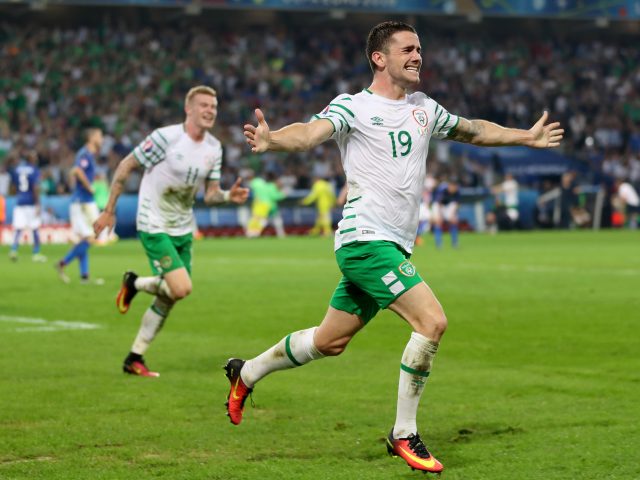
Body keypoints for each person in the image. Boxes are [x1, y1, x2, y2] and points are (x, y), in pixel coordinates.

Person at [227, 21, 563, 474]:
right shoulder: (354, 106)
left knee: (330, 342)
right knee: (432, 321)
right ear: (379, 58)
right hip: (365, 240)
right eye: (407, 48)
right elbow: (309, 133)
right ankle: (404, 433)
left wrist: (527, 136)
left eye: (420, 48)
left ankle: (245, 372)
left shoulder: (423, 107)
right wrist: (272, 140)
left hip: (393, 246)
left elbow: (474, 130)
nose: (418, 55)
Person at [93, 85, 249, 378]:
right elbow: (127, 165)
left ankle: (134, 355)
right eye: (203, 105)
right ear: (188, 109)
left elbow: (211, 193)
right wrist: (109, 209)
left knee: (170, 296)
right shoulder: (166, 138)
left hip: (182, 226)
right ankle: (136, 285)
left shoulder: (214, 148)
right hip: (153, 221)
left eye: (213, 106)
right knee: (181, 287)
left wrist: (228, 196)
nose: (209, 110)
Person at [55, 128, 104, 283]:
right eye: (99, 136)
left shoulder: (88, 155)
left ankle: (84, 277)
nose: (101, 139)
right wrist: (89, 186)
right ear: (91, 138)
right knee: (92, 237)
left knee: (86, 238)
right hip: (82, 202)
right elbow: (76, 170)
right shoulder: (84, 154)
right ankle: (63, 263)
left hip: (84, 201)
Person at [8, 150, 47, 262]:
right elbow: (35, 187)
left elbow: (13, 185)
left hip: (20, 201)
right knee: (34, 227)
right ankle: (36, 253)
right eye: (35, 157)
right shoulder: (34, 170)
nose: (36, 158)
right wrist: (38, 203)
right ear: (31, 159)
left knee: (18, 228)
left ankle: (13, 250)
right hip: (30, 202)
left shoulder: (17, 169)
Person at [246, 171, 286, 238]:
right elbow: (275, 196)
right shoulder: (268, 185)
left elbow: (252, 191)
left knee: (259, 219)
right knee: (272, 220)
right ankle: (280, 234)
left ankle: (253, 233)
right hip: (269, 205)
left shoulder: (258, 183)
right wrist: (283, 194)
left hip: (262, 204)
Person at [431, 179, 460, 248]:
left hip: (448, 206)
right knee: (438, 222)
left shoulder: (457, 192)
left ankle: (455, 243)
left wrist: (453, 215)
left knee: (454, 221)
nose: (454, 188)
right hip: (437, 205)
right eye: (453, 186)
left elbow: (456, 204)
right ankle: (439, 244)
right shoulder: (443, 190)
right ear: (449, 186)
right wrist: (440, 215)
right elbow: (439, 203)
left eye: (455, 187)